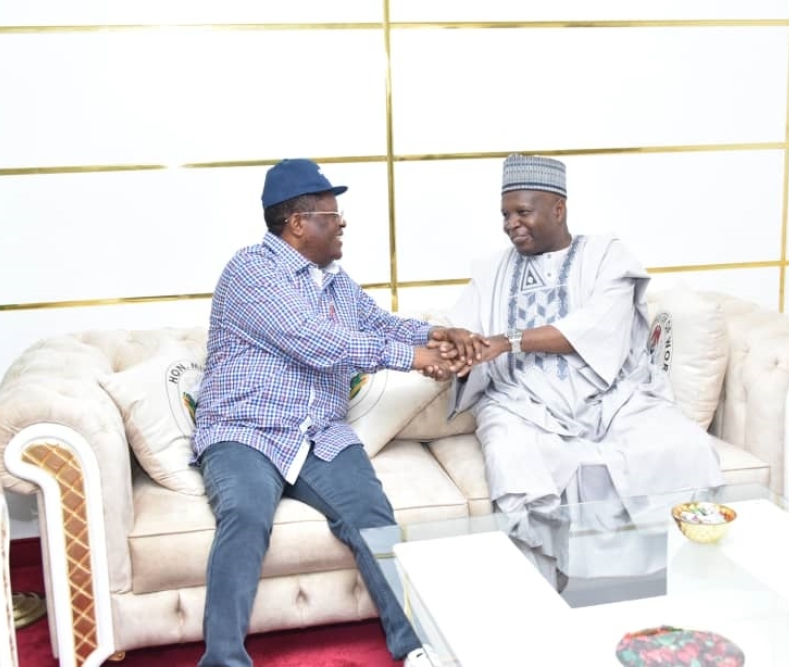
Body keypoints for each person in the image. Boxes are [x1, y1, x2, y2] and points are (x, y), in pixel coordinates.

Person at [191, 158, 465, 667]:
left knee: (373, 517)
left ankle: (418, 649)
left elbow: (378, 323)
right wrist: (414, 358)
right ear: (298, 223)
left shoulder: (334, 281)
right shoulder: (251, 269)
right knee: (246, 513)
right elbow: (312, 341)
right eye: (331, 214)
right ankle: (223, 660)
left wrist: (435, 334)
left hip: (320, 434)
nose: (341, 223)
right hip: (245, 430)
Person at [437, 154, 725, 585]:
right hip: (522, 401)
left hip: (615, 398)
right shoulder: (492, 270)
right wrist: (455, 349)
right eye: (505, 214)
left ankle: (689, 582)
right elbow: (463, 331)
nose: (511, 223)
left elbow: (600, 327)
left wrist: (507, 341)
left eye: (522, 212)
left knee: (685, 448)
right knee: (514, 461)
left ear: (558, 209)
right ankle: (541, 596)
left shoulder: (606, 255)